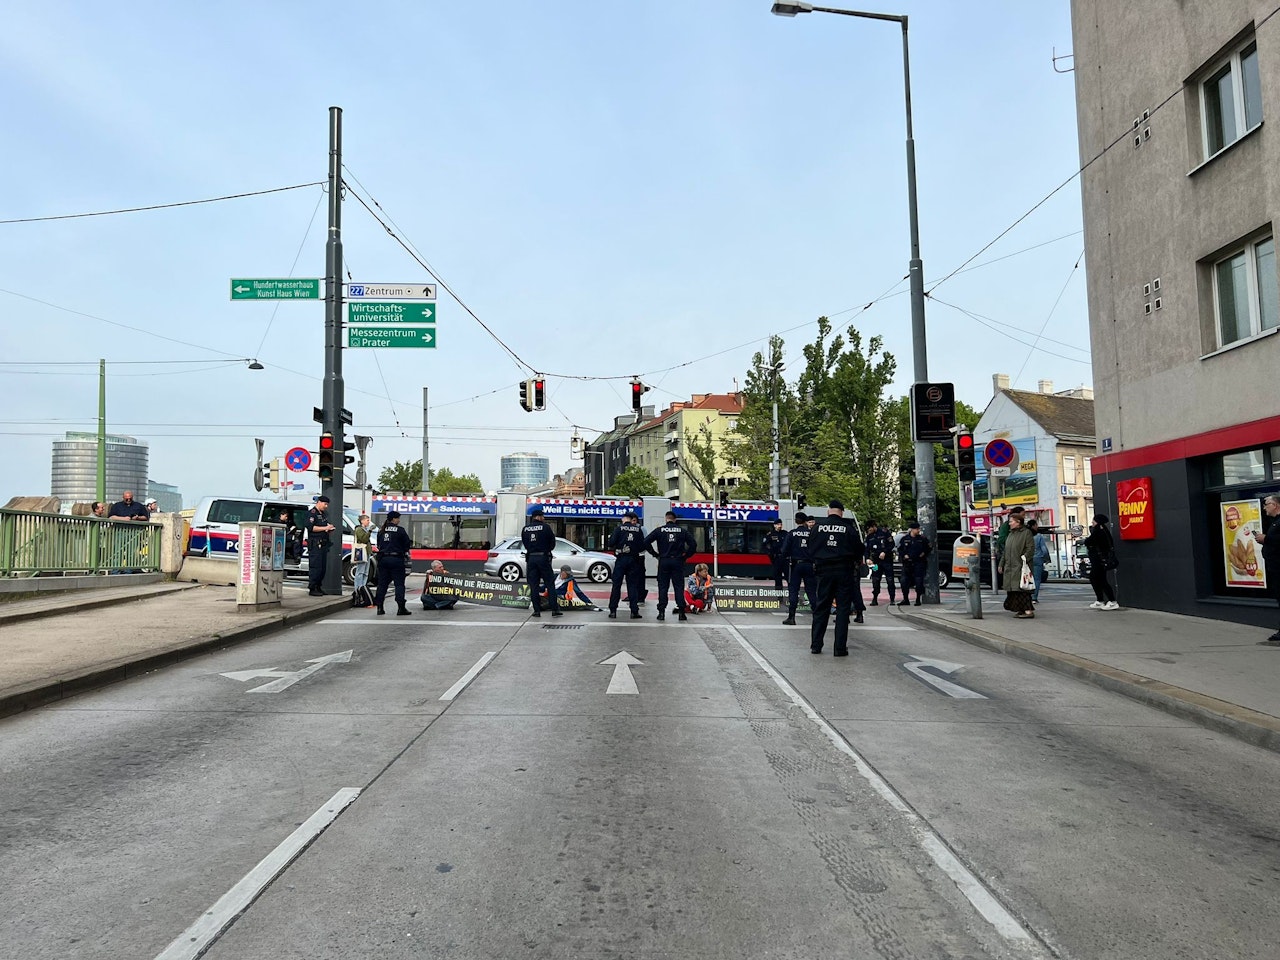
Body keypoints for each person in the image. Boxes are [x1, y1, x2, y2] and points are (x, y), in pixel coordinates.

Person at [810, 500, 864, 656]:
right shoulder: (848, 529)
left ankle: (816, 645)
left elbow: (810, 549)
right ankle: (839, 648)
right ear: (842, 511)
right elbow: (859, 549)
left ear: (828, 511)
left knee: (821, 608)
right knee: (842, 609)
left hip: (823, 571)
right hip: (843, 571)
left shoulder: (817, 528)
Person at [644, 510, 696, 622]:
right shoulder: (682, 531)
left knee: (663, 587)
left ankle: (661, 612)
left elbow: (646, 542)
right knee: (678, 587)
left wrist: (655, 554)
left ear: (666, 519)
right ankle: (682, 612)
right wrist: (686, 556)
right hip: (678, 561)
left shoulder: (659, 530)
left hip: (664, 561)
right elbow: (693, 544)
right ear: (675, 519)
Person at [521, 506, 561, 618]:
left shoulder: (525, 529)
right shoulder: (546, 527)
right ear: (538, 517)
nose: (543, 518)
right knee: (550, 584)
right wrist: (546, 550)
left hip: (531, 559)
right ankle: (554, 609)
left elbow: (525, 543)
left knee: (534, 586)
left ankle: (536, 610)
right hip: (543, 558)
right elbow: (552, 543)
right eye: (542, 516)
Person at [606, 510, 646, 619]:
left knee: (616, 585)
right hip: (633, 560)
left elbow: (611, 543)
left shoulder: (619, 529)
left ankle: (613, 611)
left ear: (624, 518)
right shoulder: (638, 530)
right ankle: (634, 611)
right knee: (632, 586)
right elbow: (643, 546)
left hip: (621, 559)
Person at [374, 509, 412, 616]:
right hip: (396, 560)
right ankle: (401, 608)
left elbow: (379, 545)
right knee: (399, 584)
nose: (399, 520)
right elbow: (406, 545)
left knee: (382, 584)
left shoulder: (382, 531)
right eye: (398, 518)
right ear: (394, 519)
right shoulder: (400, 530)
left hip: (383, 559)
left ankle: (380, 607)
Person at [999, 513, 1037, 618]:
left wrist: (1024, 558)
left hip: (1021, 566)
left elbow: (1030, 548)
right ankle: (1021, 610)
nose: (1009, 524)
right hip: (1010, 567)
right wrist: (1001, 564)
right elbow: (1006, 551)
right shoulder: (1010, 534)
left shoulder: (1026, 533)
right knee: (1013, 590)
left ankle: (1028, 611)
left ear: (1018, 522)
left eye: (1011, 521)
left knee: (1022, 589)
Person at [782, 512, 816, 625]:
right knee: (811, 590)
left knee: (793, 590)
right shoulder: (812, 534)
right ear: (806, 521)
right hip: (809, 564)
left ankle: (791, 617)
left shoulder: (792, 534)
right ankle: (817, 616)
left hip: (796, 565)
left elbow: (784, 550)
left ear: (796, 521)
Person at [1255, 494, 1280, 644]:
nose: (1265, 507)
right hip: (1275, 568)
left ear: (1276, 505)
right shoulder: (1275, 522)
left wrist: (1266, 539)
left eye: (1267, 504)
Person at [1083, 513, 1119, 610]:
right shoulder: (1104, 531)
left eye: (1093, 521)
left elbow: (1088, 541)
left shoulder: (1098, 531)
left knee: (1098, 579)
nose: (1092, 523)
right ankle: (1101, 600)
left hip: (1099, 560)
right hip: (1100, 560)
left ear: (1097, 522)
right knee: (1098, 579)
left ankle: (1111, 601)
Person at [305, 496, 337, 596]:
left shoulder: (323, 514)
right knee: (316, 567)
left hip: (323, 544)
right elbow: (311, 527)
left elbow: (324, 526)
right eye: (325, 504)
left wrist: (329, 528)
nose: (326, 506)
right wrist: (324, 528)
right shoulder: (312, 513)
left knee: (322, 568)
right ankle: (312, 587)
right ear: (319, 502)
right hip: (315, 544)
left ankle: (318, 587)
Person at [897, 521, 930, 607]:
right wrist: (904, 555)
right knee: (904, 582)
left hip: (918, 563)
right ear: (912, 529)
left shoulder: (922, 539)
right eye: (917, 529)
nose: (918, 530)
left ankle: (918, 599)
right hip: (907, 564)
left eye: (918, 529)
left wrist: (923, 553)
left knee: (918, 582)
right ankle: (905, 599)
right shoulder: (905, 539)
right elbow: (900, 549)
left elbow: (928, 548)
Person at [864, 519, 897, 607]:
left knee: (890, 580)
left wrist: (885, 552)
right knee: (875, 580)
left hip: (887, 561)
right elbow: (866, 549)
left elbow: (891, 544)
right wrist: (867, 558)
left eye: (870, 529)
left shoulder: (884, 532)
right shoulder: (869, 537)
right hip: (876, 562)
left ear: (874, 526)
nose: (869, 531)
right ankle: (875, 598)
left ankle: (892, 599)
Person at [1029, 518, 1051, 604]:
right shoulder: (1039, 536)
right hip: (1038, 559)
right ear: (1033, 526)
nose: (1037, 526)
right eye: (1036, 525)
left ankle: (1029, 596)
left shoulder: (1027, 536)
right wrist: (1047, 559)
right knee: (1037, 579)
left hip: (1029, 559)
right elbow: (1044, 549)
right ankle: (1034, 597)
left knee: (1029, 578)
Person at [763, 519, 789, 591]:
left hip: (785, 558)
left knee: (788, 577)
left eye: (780, 524)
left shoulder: (785, 533)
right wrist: (771, 556)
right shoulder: (770, 534)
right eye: (778, 524)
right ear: (774, 525)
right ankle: (779, 597)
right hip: (776, 559)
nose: (779, 526)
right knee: (778, 578)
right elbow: (765, 546)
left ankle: (792, 595)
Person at [353, 514, 375, 593]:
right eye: (367, 520)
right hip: (361, 552)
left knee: (365, 572)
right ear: (362, 521)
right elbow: (364, 539)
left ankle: (363, 587)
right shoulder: (359, 529)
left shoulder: (365, 529)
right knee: (360, 571)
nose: (368, 522)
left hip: (367, 552)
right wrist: (369, 531)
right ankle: (358, 588)